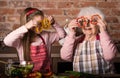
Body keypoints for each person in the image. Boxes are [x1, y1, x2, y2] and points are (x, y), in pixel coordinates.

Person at [3, 7, 65, 75]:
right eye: (36, 24)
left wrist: (54, 24)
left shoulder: (46, 36)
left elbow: (62, 35)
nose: (38, 27)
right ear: (28, 24)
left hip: (46, 74)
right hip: (27, 75)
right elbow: (6, 41)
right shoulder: (21, 39)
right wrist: (25, 27)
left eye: (40, 23)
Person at [60, 6, 117, 74]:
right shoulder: (76, 41)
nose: (87, 24)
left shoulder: (104, 39)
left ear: (98, 24)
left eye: (92, 21)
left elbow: (110, 56)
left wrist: (103, 31)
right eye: (83, 21)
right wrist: (71, 33)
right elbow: (65, 57)